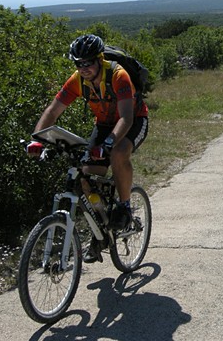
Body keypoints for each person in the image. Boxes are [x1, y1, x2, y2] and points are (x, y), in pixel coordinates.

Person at [26, 34, 149, 263]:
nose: (83, 68)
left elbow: (126, 118)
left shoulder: (118, 75)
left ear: (99, 58)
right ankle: (100, 231)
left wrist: (108, 145)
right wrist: (37, 139)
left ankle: (124, 207)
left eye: (88, 62)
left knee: (119, 153)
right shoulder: (77, 81)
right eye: (78, 63)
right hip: (103, 125)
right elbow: (53, 111)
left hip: (134, 120)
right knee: (86, 176)